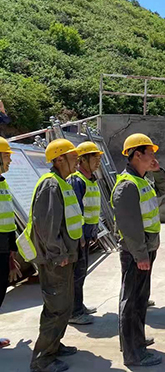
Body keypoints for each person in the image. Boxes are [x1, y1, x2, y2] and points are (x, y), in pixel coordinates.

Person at [16, 139, 83, 372]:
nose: (77, 160)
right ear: (59, 159)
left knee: (64, 305)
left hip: (66, 256)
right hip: (57, 259)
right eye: (73, 156)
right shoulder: (51, 185)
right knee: (56, 308)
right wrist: (58, 253)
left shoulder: (63, 183)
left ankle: (54, 345)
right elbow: (46, 226)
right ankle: (42, 359)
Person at [111, 134, 162, 367]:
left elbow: (162, 194)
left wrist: (157, 171)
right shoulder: (127, 185)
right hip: (136, 252)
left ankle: (137, 341)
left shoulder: (142, 180)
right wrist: (140, 254)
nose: (153, 157)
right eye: (150, 153)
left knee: (140, 300)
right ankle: (133, 354)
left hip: (146, 248)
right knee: (131, 302)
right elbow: (130, 226)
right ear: (137, 155)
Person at [67, 141, 104, 326]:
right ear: (82, 160)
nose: (98, 162)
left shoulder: (91, 180)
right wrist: (81, 236)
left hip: (87, 234)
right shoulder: (77, 181)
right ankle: (74, 312)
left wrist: (94, 231)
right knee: (77, 274)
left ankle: (78, 306)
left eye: (99, 158)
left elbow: (92, 209)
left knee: (81, 273)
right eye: (94, 158)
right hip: (78, 236)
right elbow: (76, 211)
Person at [0, 136, 19, 349]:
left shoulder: (3, 183)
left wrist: (12, 250)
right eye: (6, 156)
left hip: (4, 246)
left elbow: (7, 218)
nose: (10, 160)